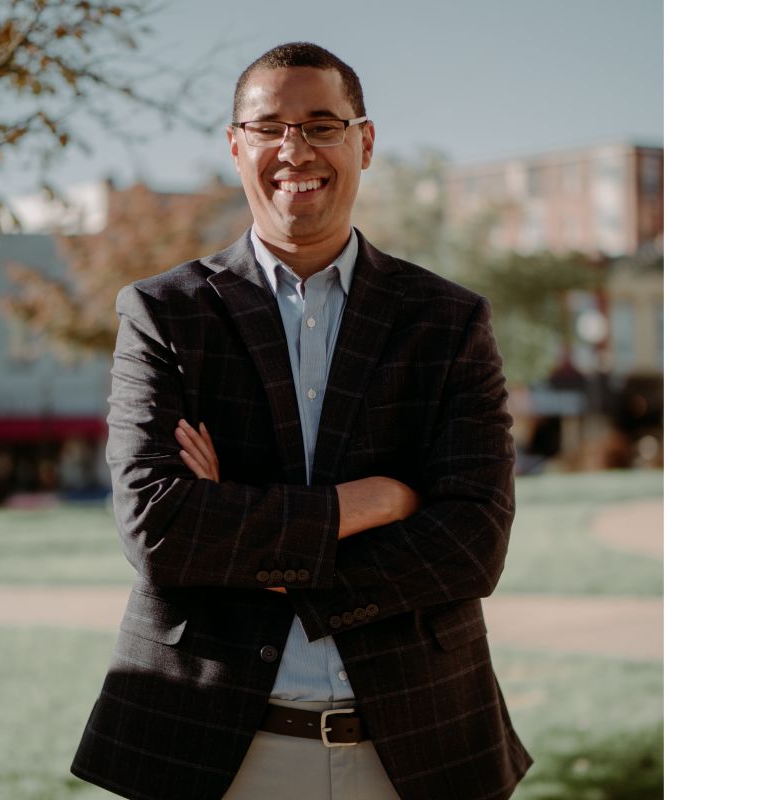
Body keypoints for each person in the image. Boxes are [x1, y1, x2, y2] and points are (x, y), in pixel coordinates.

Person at [71, 42, 533, 799]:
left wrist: (251, 546)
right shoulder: (164, 314)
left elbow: (473, 544)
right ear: (235, 145)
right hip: (210, 750)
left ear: (365, 142)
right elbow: (160, 530)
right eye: (269, 128)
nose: (296, 151)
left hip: (417, 749)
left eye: (322, 125)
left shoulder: (447, 321)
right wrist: (377, 503)